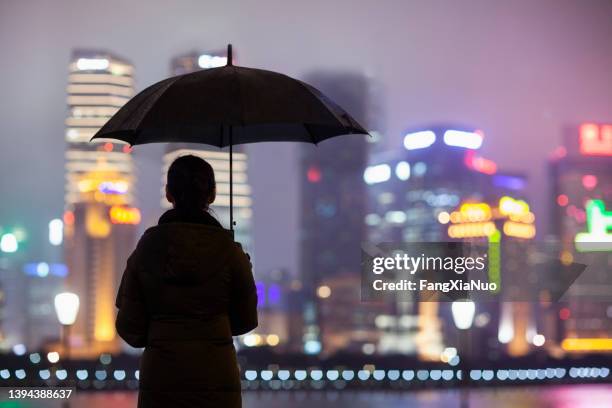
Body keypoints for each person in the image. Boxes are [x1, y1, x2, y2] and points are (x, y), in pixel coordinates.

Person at [115, 154, 258, 408]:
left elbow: (130, 330)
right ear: (212, 195)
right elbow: (245, 321)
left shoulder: (146, 250)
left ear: (169, 193)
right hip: (216, 383)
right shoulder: (230, 252)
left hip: (161, 382)